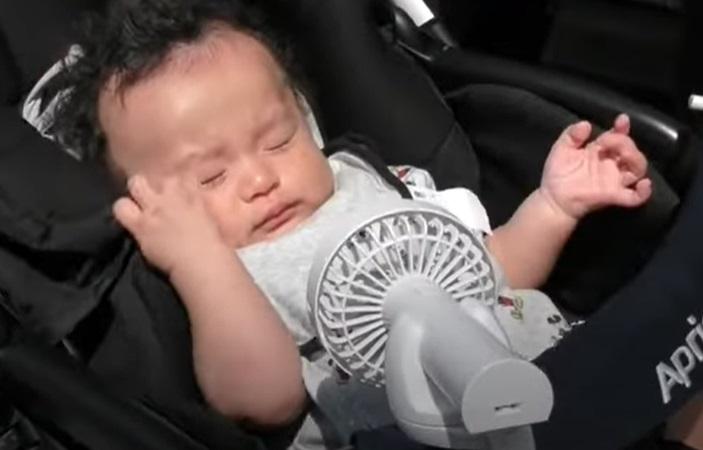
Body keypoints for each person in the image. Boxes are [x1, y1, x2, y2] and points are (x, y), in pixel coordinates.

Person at [53, 1, 702, 449]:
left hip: (572, 368)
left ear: (308, 122)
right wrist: (197, 261)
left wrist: (554, 206)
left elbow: (490, 275)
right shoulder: (223, 280)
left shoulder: (366, 181)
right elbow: (266, 400)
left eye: (278, 140)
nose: (259, 179)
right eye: (210, 178)